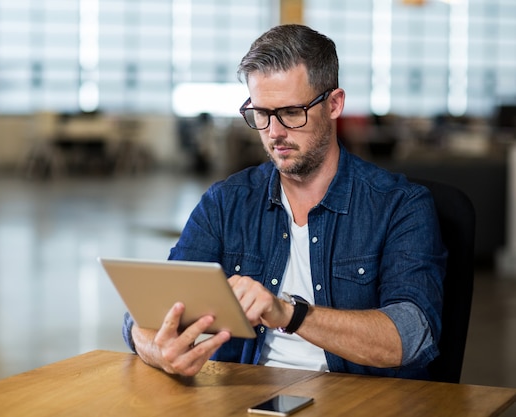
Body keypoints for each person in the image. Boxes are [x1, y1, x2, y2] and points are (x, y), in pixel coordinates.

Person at [122, 24, 446, 380]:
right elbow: (147, 317)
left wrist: (288, 313)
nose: (274, 132)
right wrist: (158, 349)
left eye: (292, 112)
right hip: (248, 397)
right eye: (261, 113)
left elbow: (412, 335)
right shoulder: (226, 203)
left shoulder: (400, 205)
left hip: (357, 401)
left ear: (334, 104)